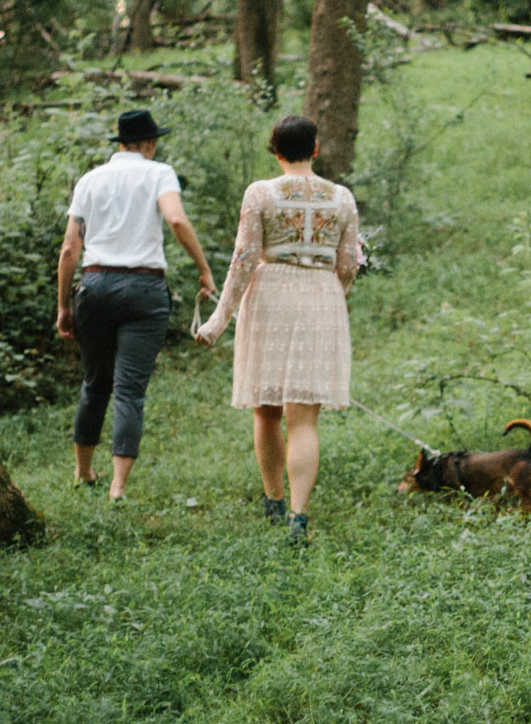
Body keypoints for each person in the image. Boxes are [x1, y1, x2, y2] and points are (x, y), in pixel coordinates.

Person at [195, 114, 359, 545]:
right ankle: (298, 517)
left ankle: (273, 500)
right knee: (303, 418)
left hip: (270, 296)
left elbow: (244, 259)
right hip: (321, 297)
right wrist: (331, 295)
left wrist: (218, 320)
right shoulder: (341, 197)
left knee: (266, 410)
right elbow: (349, 264)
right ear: (317, 148)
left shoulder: (260, 193)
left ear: (276, 150)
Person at [56, 108, 216, 499]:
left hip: (93, 286)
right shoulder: (158, 172)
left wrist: (64, 305)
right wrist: (204, 269)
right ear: (149, 143)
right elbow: (176, 220)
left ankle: (82, 472)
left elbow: (69, 248)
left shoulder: (90, 179)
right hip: (144, 289)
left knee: (95, 383)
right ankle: (118, 487)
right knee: (129, 390)